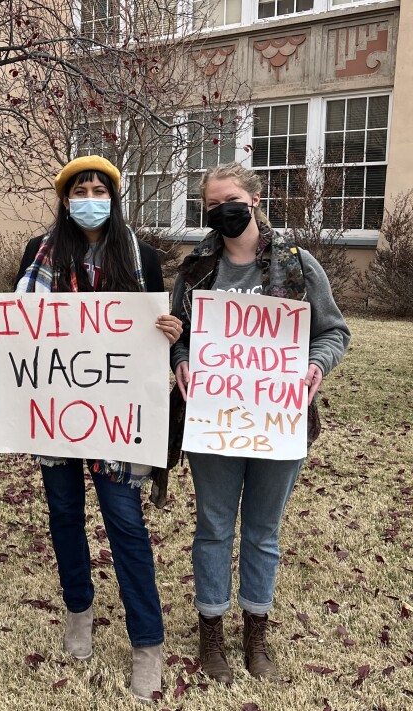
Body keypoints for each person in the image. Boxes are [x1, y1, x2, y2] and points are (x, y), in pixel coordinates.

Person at [0, 155, 181, 702]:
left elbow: (158, 334)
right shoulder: (40, 253)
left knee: (125, 525)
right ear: (65, 200)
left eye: (99, 188)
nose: (90, 196)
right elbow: (17, 321)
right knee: (63, 514)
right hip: (57, 416)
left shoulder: (141, 257)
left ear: (114, 196)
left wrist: (170, 330)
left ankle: (146, 643)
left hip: (118, 419)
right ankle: (79, 611)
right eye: (80, 189)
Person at [170, 162, 350, 683]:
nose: (220, 212)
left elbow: (334, 332)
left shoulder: (296, 265)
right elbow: (176, 333)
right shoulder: (194, 269)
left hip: (279, 420)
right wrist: (179, 358)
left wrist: (317, 365)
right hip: (211, 421)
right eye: (210, 206)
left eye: (229, 200)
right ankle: (211, 631)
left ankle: (256, 631)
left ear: (253, 199)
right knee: (213, 529)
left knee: (263, 532)